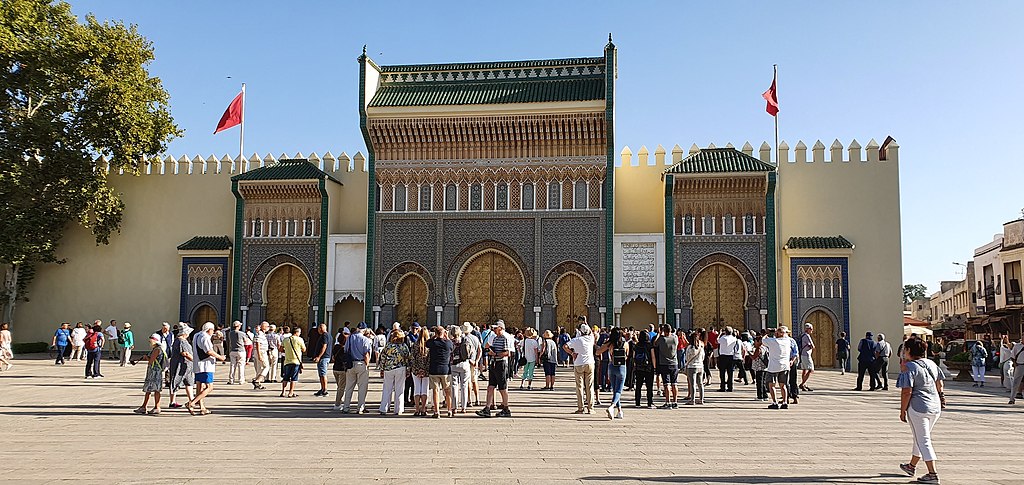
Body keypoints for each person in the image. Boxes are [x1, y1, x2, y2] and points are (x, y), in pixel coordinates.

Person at [897, 338, 946, 484]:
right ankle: (911, 466)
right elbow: (940, 383)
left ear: (909, 351)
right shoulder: (931, 363)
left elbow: (907, 391)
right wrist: (942, 397)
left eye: (905, 349)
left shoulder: (910, 367)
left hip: (919, 408)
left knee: (923, 439)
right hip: (934, 406)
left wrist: (902, 410)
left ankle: (932, 473)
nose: (903, 352)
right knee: (920, 437)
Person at [187, 322, 227, 415]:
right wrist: (220, 357)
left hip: (198, 365)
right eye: (212, 330)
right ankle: (192, 403)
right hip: (206, 365)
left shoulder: (197, 335)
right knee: (209, 387)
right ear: (209, 329)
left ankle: (202, 408)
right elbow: (209, 351)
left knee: (200, 387)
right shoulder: (205, 337)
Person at [476, 320, 513, 417]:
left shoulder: (504, 338)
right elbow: (489, 348)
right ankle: (487, 408)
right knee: (490, 386)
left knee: (502, 387)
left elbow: (507, 353)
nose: (494, 330)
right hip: (494, 363)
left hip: (501, 363)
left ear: (500, 328)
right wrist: (489, 352)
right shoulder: (495, 338)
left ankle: (506, 408)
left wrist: (495, 354)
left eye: (496, 328)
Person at [597, 328, 629, 419]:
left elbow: (598, 351)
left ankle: (619, 411)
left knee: (615, 390)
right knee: (618, 390)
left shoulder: (609, 344)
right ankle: (612, 406)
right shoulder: (625, 344)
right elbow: (627, 355)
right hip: (622, 368)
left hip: (611, 367)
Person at [564, 322, 596, 415]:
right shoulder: (591, 339)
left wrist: (572, 353)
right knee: (590, 386)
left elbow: (565, 346)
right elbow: (591, 332)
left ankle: (581, 408)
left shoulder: (576, 340)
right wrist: (586, 323)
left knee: (579, 387)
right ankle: (591, 408)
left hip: (578, 363)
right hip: (590, 363)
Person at [132, 334, 167, 415]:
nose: (149, 342)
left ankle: (155, 407)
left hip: (154, 372)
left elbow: (151, 360)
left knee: (153, 390)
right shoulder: (158, 349)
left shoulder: (156, 349)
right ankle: (145, 406)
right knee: (152, 390)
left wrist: (146, 358)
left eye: (150, 340)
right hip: (156, 371)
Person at [342, 322, 373, 414]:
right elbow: (367, 354)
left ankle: (346, 407)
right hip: (361, 363)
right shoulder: (365, 340)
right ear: (364, 330)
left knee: (349, 387)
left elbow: (346, 350)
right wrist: (367, 365)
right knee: (362, 387)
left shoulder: (350, 338)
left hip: (350, 364)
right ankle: (360, 407)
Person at [378, 329, 411, 415]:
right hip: (400, 368)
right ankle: (399, 409)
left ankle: (384, 408)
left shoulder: (388, 346)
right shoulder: (404, 347)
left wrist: (382, 369)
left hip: (388, 368)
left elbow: (383, 358)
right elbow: (408, 358)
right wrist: (408, 369)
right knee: (399, 389)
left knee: (387, 389)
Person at [426, 325, 455, 418]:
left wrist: (434, 336)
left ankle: (436, 411)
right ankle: (449, 410)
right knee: (448, 391)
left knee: (435, 391)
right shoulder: (448, 343)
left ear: (435, 333)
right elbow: (452, 346)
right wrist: (446, 337)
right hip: (445, 370)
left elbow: (427, 343)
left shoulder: (433, 343)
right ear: (444, 333)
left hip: (434, 369)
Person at [764, 326, 796, 409]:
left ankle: (775, 402)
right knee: (783, 385)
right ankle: (785, 402)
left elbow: (763, 340)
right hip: (785, 366)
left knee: (772, 385)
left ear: (777, 333)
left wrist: (767, 333)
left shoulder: (773, 341)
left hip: (773, 367)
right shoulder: (788, 341)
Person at [167, 326, 195, 409]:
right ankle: (172, 401)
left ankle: (192, 400)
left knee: (189, 382)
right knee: (176, 381)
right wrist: (195, 360)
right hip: (180, 365)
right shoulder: (181, 341)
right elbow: (185, 353)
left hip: (186, 366)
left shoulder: (179, 340)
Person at [655, 323, 679, 409]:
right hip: (674, 363)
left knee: (666, 384)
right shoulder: (675, 338)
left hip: (664, 364)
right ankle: (675, 401)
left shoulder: (662, 339)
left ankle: (668, 402)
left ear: (663, 331)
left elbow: (655, 344)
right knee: (674, 384)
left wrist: (659, 333)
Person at [449, 326, 471, 413]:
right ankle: (464, 407)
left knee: (454, 386)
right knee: (464, 386)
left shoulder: (450, 342)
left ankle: (454, 407)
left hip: (453, 364)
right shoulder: (465, 340)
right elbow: (470, 351)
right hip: (464, 363)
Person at [280, 326, 305, 398]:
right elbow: (304, 349)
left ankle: (283, 391)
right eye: (299, 332)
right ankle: (291, 392)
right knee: (294, 377)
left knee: (286, 377)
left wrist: (287, 351)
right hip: (296, 361)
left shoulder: (286, 339)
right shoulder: (299, 339)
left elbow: (281, 349)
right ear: (297, 332)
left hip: (287, 361)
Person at [410, 326, 431, 416]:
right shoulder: (429, 346)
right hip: (426, 371)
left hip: (416, 370)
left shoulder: (415, 344)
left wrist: (417, 369)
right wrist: (424, 369)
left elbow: (412, 358)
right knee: (424, 390)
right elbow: (429, 359)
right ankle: (423, 408)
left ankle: (417, 409)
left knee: (417, 389)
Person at [632, 329, 655, 408]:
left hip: (639, 368)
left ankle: (637, 402)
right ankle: (649, 402)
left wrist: (635, 365)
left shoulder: (637, 345)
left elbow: (634, 357)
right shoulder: (650, 345)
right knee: (649, 386)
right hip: (648, 368)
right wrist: (654, 367)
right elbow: (653, 357)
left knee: (638, 386)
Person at [684, 330, 706, 405]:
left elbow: (687, 358)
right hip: (700, 366)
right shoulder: (701, 348)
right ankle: (701, 399)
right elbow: (703, 357)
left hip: (692, 366)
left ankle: (692, 399)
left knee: (692, 384)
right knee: (700, 384)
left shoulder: (689, 348)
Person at [330, 328, 349, 411]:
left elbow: (333, 357)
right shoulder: (345, 349)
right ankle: (337, 404)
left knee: (339, 386)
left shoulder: (336, 347)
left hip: (335, 369)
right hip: (342, 370)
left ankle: (340, 400)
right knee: (341, 388)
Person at [463, 322, 482, 404]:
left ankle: (469, 400)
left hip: (467, 362)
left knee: (468, 381)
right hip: (474, 362)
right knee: (475, 381)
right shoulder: (475, 338)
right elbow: (480, 350)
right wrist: (477, 360)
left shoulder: (464, 339)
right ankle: (477, 399)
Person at [311, 324, 330, 397]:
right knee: (321, 374)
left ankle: (325, 390)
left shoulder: (324, 336)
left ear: (320, 329)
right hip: (325, 357)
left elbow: (324, 346)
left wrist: (319, 356)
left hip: (323, 357)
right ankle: (322, 388)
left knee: (323, 374)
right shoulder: (328, 335)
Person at [717, 327, 738, 392]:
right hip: (730, 356)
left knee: (722, 372)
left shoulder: (723, 338)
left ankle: (723, 386)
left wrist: (720, 334)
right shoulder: (734, 338)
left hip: (723, 356)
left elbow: (717, 341)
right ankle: (730, 386)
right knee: (730, 372)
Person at [226, 321, 246, 385]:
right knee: (241, 366)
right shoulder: (242, 333)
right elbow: (245, 341)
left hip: (233, 350)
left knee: (232, 365)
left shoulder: (230, 333)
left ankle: (231, 380)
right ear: (239, 326)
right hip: (241, 350)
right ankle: (241, 380)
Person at [751, 334, 769, 401]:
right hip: (764, 366)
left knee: (759, 382)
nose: (754, 343)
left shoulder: (758, 349)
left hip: (759, 367)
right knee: (763, 381)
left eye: (755, 341)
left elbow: (754, 357)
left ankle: (760, 396)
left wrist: (749, 353)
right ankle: (765, 395)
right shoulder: (765, 347)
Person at [798, 323, 815, 391]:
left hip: (802, 354)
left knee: (804, 369)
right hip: (806, 355)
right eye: (811, 329)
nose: (812, 330)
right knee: (811, 369)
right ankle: (802, 384)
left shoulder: (802, 335)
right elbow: (812, 346)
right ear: (808, 329)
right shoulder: (807, 336)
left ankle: (804, 384)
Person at [1008, 338, 1024, 405]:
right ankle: (1012, 398)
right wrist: (1015, 364)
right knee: (1016, 382)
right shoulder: (1017, 346)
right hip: (1019, 365)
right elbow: (1012, 356)